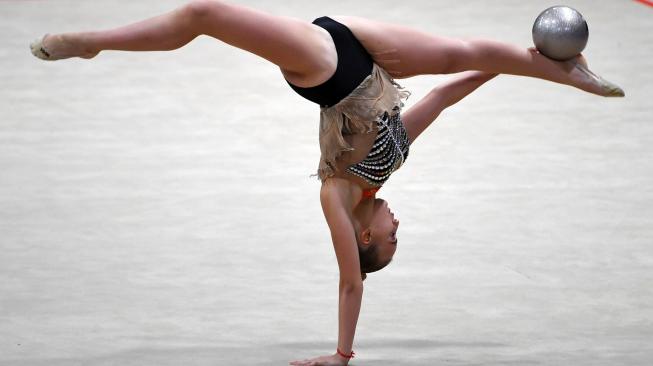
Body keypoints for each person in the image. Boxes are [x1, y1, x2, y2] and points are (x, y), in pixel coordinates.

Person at [29, 1, 624, 365]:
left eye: (393, 238)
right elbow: (441, 97)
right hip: (368, 53)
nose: (399, 227)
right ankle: (565, 72)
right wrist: (510, 67)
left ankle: (91, 44)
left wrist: (342, 353)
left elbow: (349, 282)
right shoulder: (387, 164)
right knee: (462, 54)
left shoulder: (338, 193)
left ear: (366, 239)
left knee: (203, 13)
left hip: (330, 71)